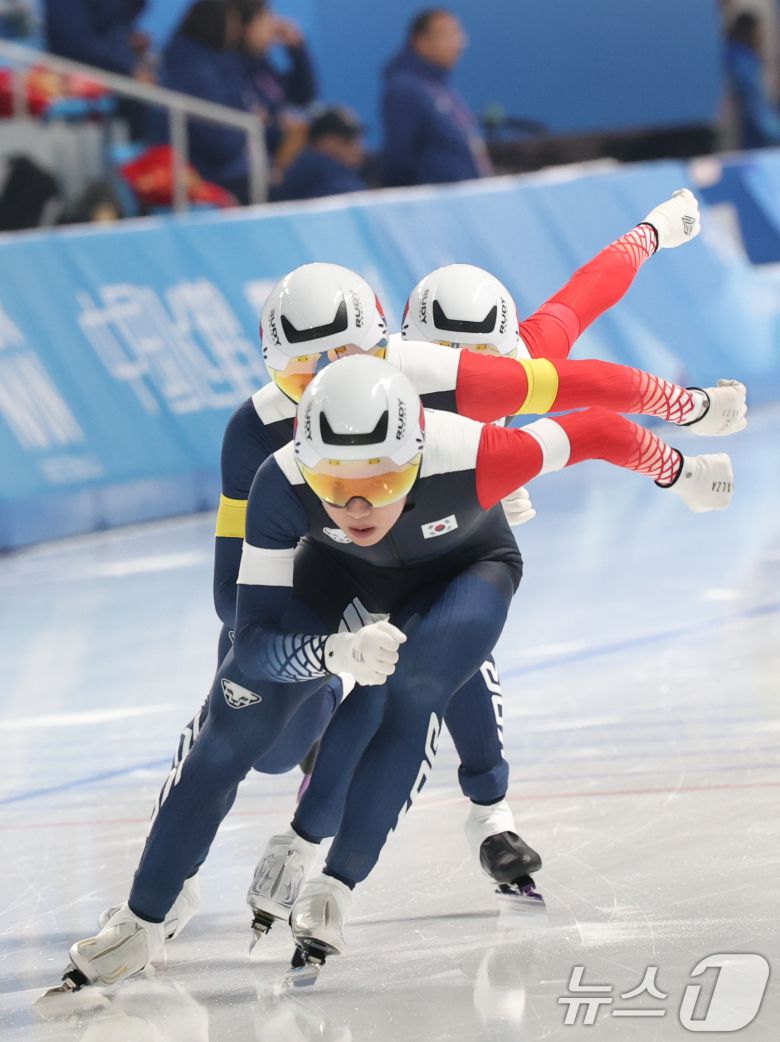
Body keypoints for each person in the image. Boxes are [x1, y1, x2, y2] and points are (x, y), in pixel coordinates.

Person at [147, 0, 252, 202]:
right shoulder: (194, 71)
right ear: (215, 23)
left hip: (223, 166)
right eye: (232, 22)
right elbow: (218, 142)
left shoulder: (219, 62)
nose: (237, 30)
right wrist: (244, 136)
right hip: (203, 172)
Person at [382, 7, 491, 187]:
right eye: (449, 35)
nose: (460, 43)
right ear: (421, 41)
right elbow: (400, 159)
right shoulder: (404, 89)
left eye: (459, 34)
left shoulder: (442, 88)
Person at [236, 0, 316, 171]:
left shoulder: (262, 64)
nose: (273, 26)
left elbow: (303, 94)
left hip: (285, 158)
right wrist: (278, 127)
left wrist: (296, 48)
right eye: (266, 19)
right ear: (247, 26)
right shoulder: (232, 68)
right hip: (260, 165)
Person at [272, 107, 367, 202]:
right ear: (326, 142)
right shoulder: (319, 166)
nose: (359, 148)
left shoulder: (304, 163)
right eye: (349, 140)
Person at [725, 11, 780, 149]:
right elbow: (760, 115)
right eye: (759, 33)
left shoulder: (745, 61)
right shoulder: (743, 65)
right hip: (754, 147)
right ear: (749, 33)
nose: (761, 38)